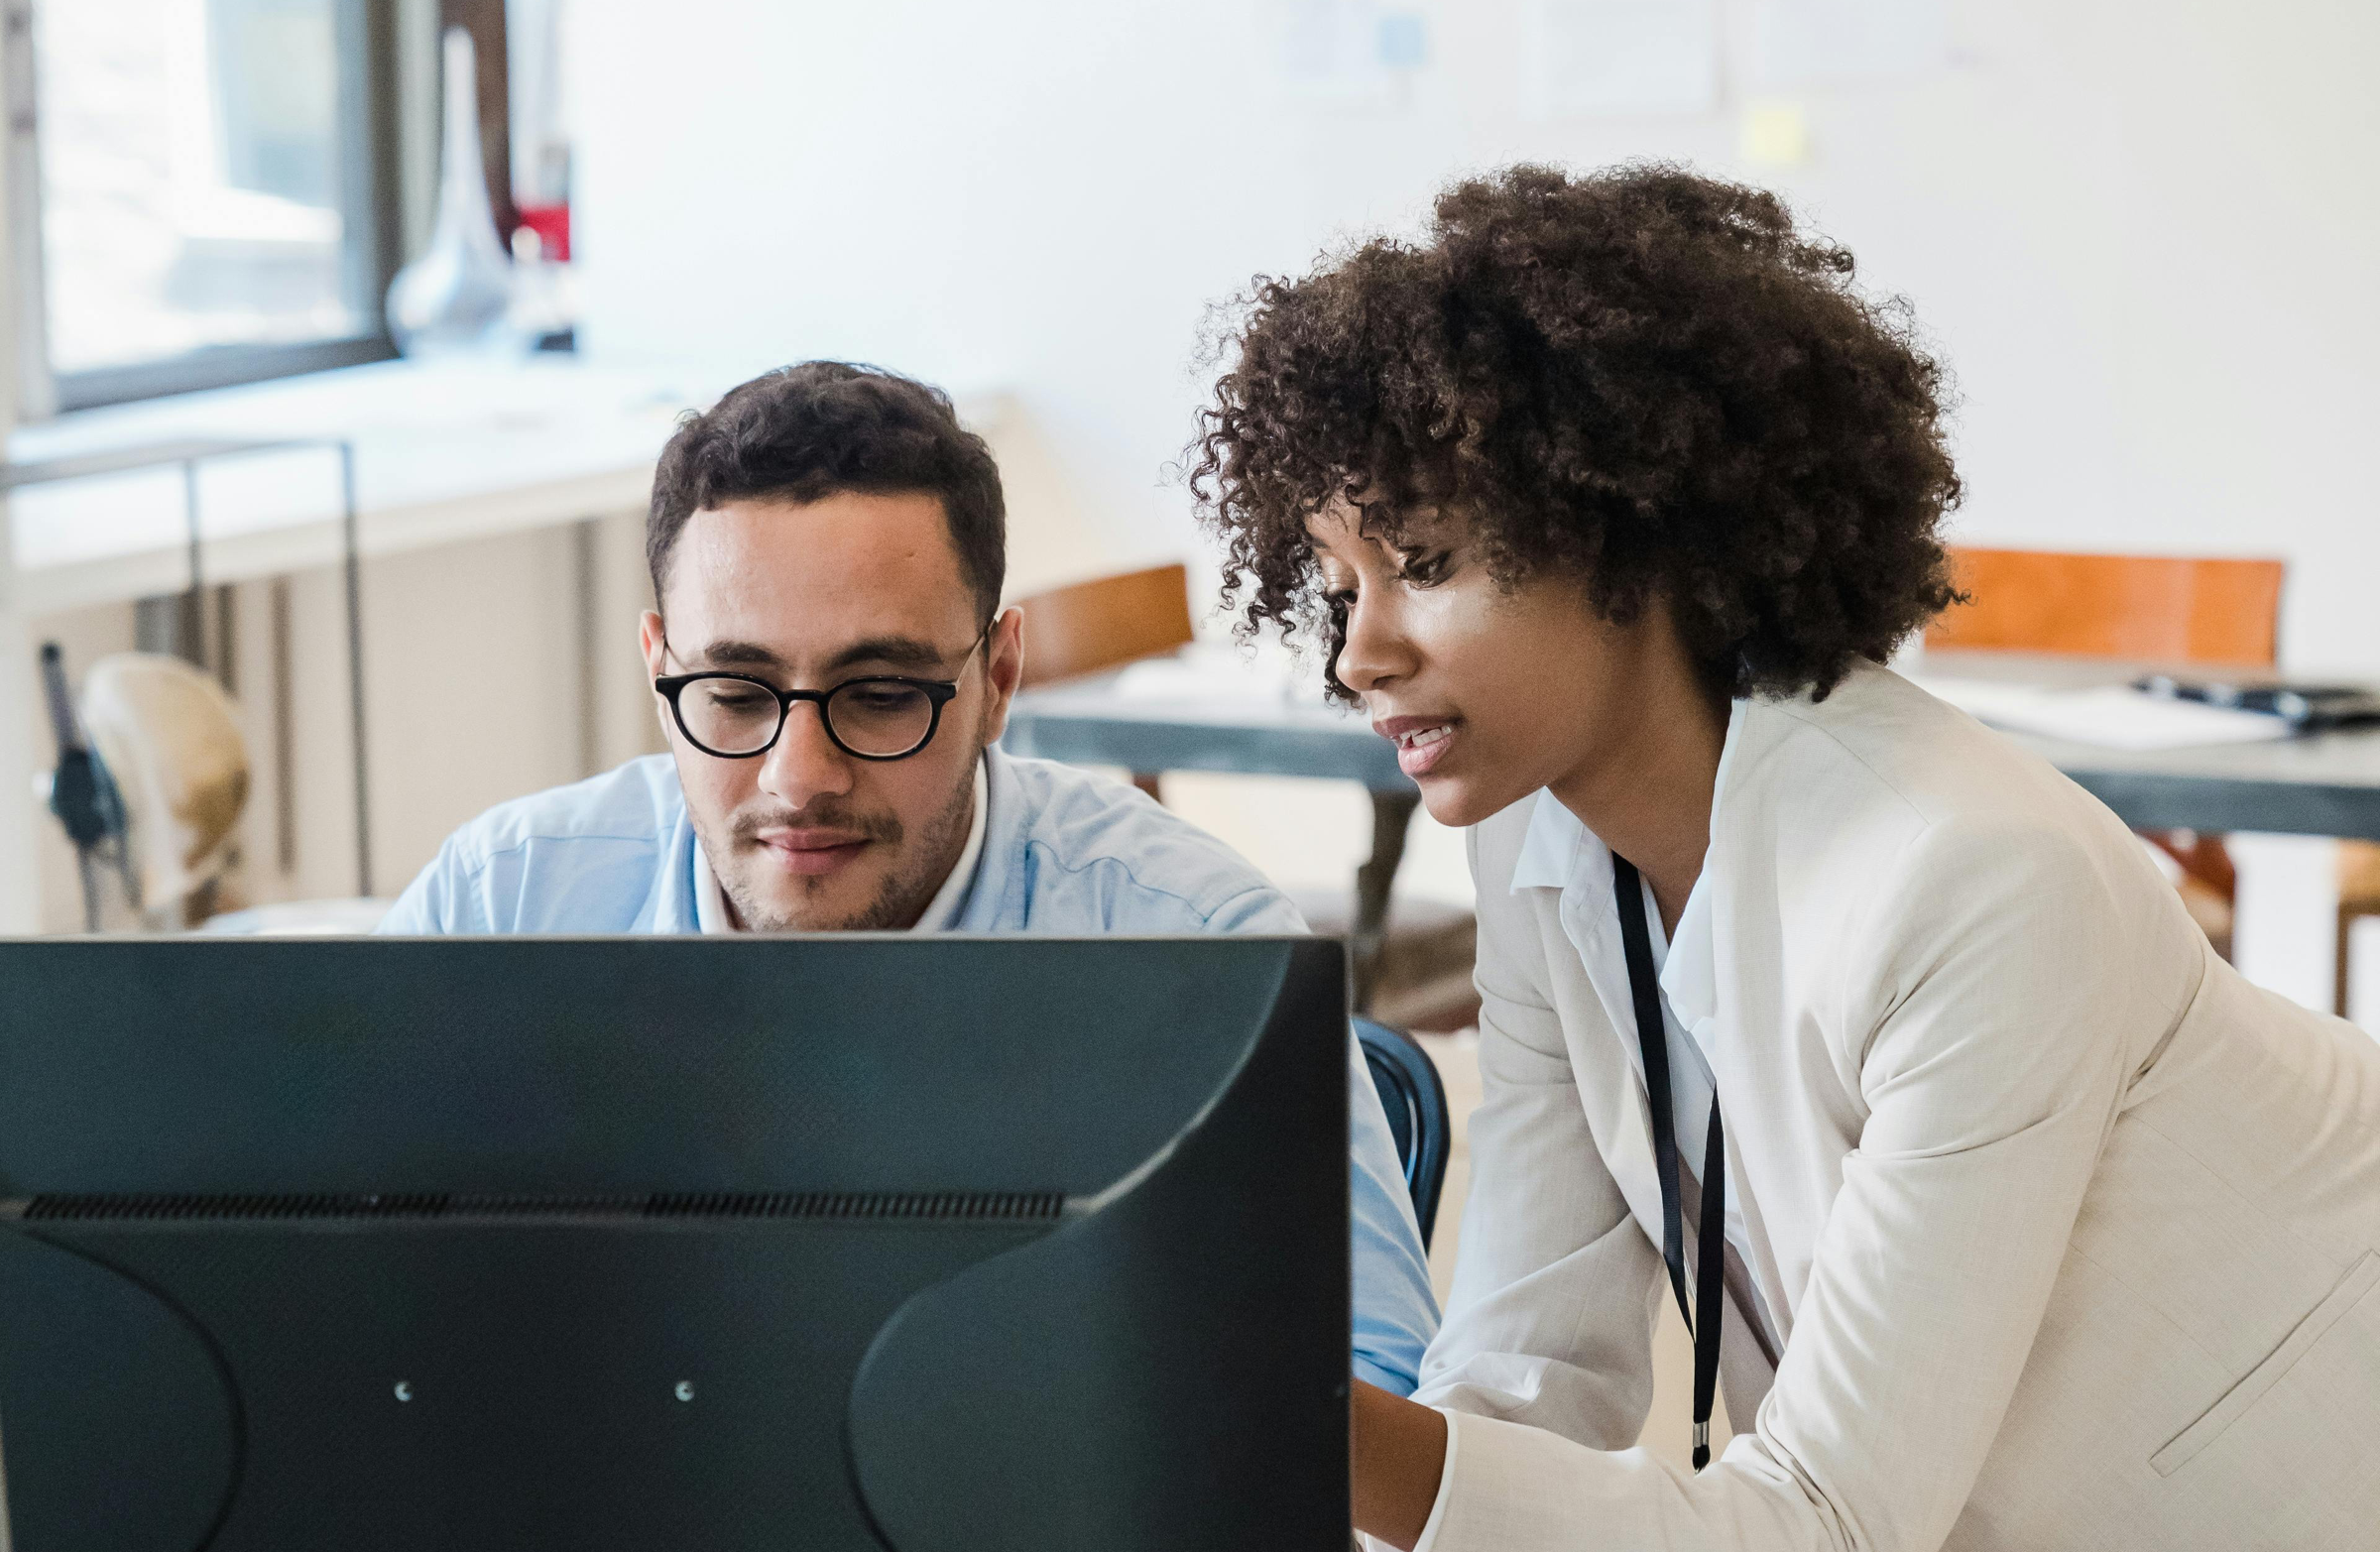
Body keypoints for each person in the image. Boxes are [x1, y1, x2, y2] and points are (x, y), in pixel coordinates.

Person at [1190, 166, 2380, 1550]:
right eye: (1344, 585)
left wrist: (1299, 1420)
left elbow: (1827, 1524)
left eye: (1429, 562)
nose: (1358, 652)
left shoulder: (1973, 880)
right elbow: (1528, 1384)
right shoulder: (1541, 846)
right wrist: (1302, 1435)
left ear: (1632, 529)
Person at [378, 360, 1438, 1393]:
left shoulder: (1201, 946)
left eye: (881, 693)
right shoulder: (500, 904)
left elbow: (1374, 1391)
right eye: (736, 695)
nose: (800, 779)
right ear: (661, 673)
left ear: (998, 678)